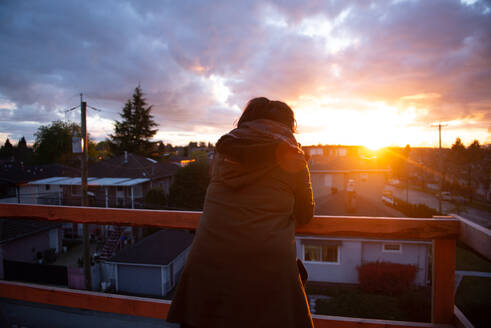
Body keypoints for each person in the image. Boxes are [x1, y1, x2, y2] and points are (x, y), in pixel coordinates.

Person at [167, 97, 315, 328]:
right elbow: (305, 213)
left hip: (207, 265)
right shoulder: (293, 157)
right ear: (288, 126)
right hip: (266, 270)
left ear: (246, 122)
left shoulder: (222, 154)